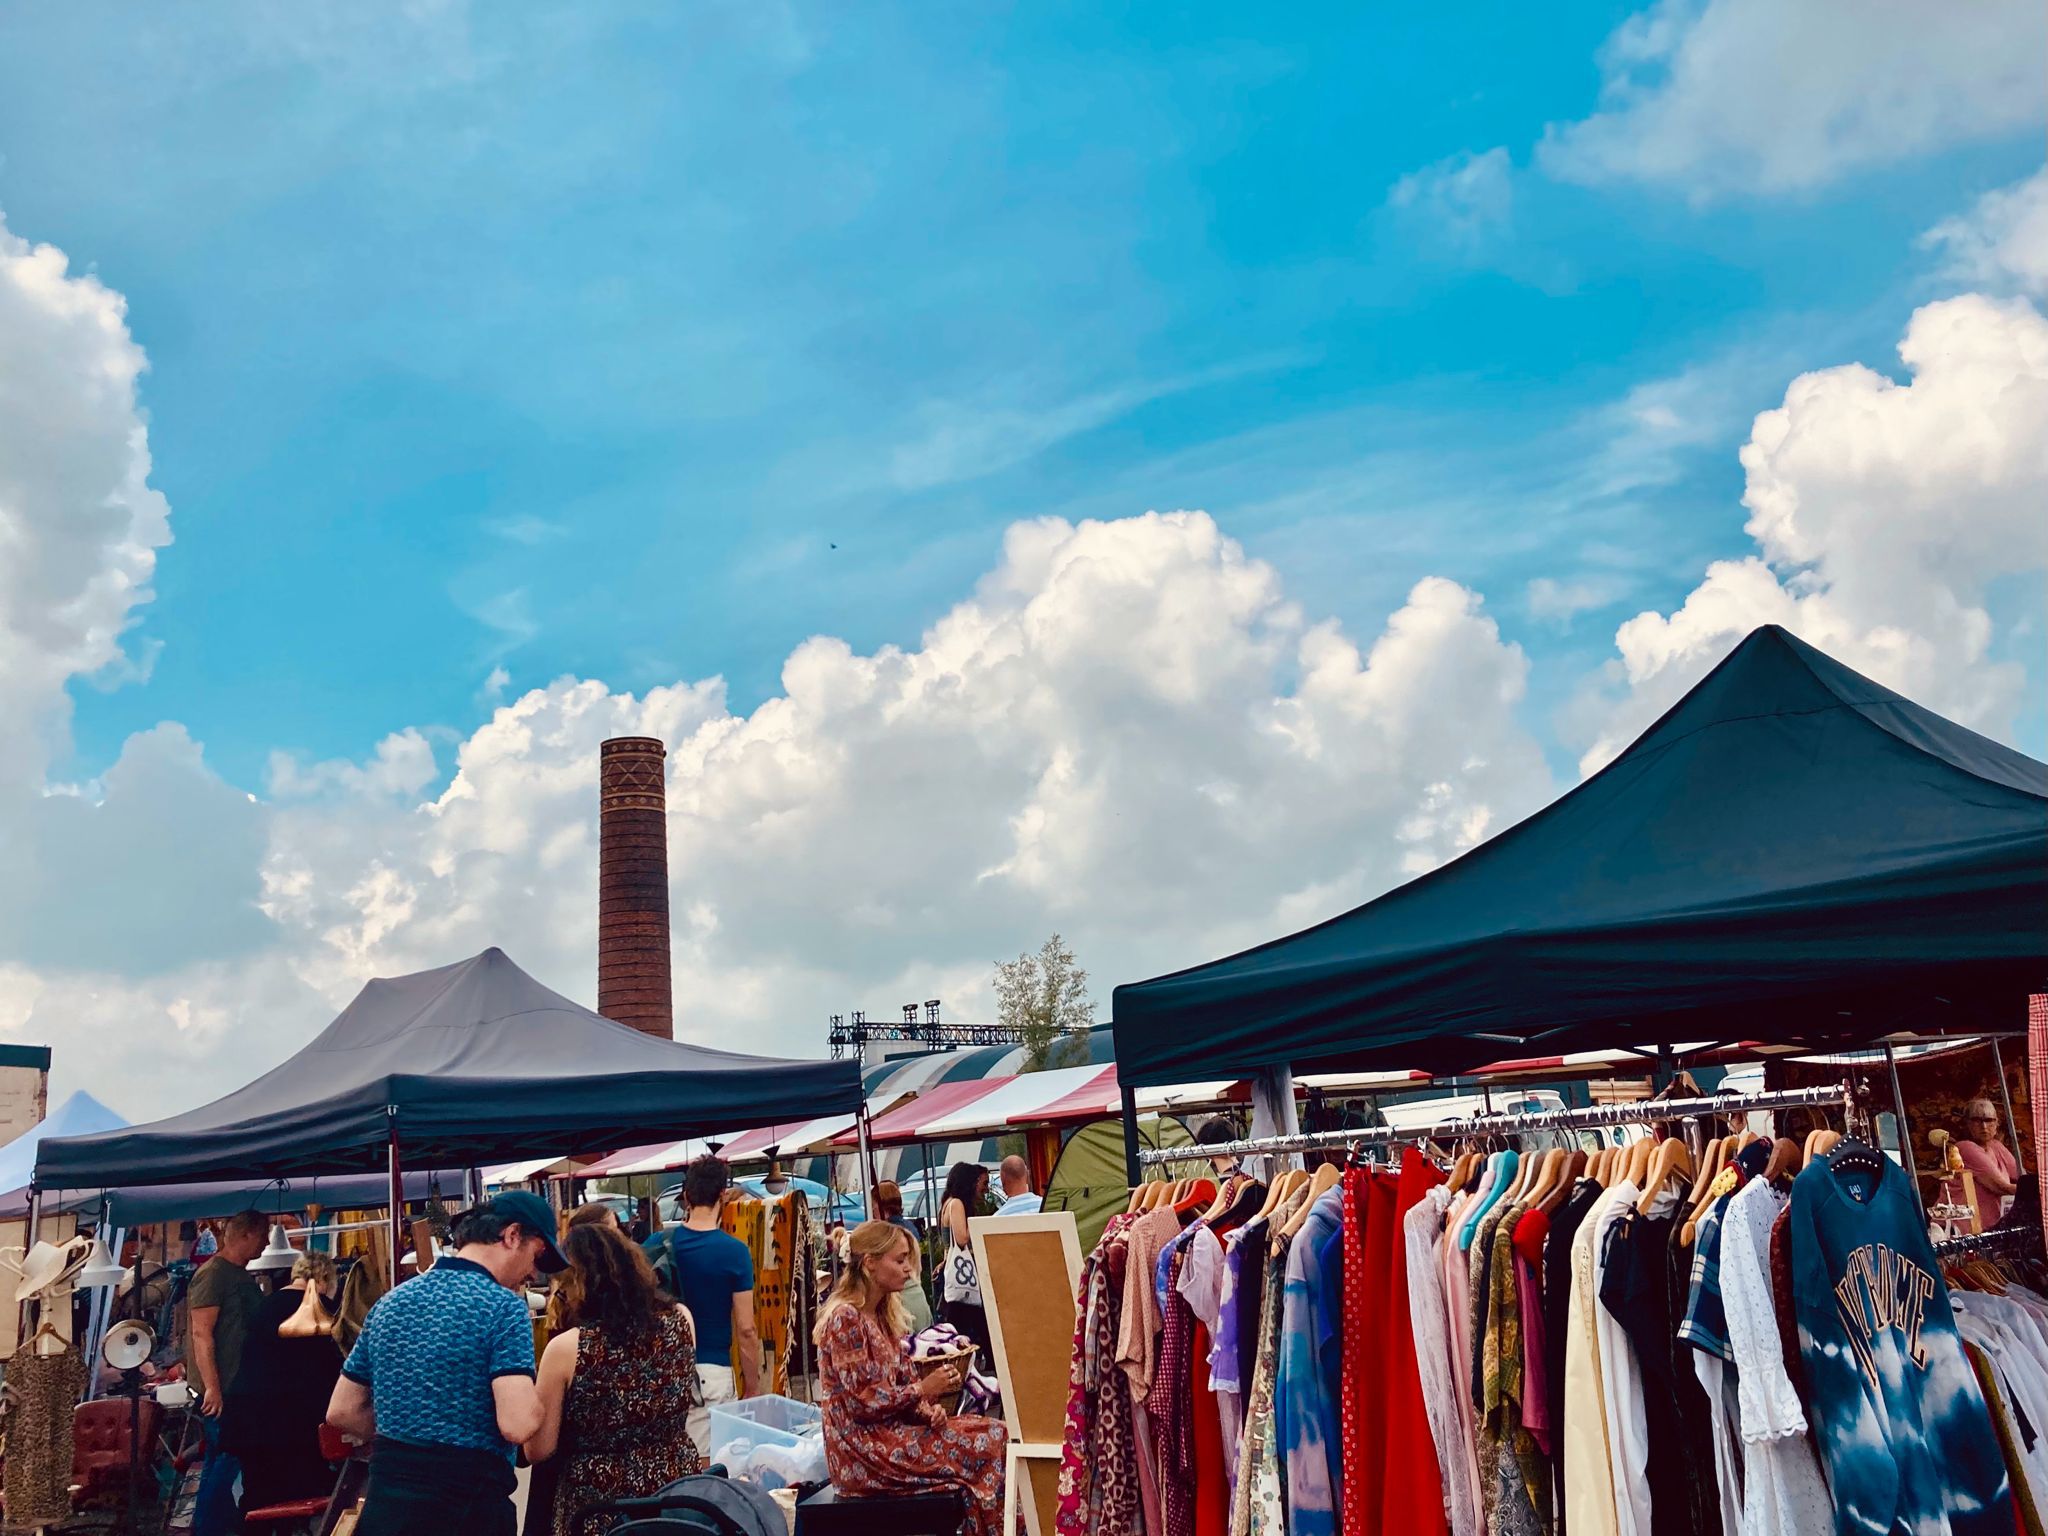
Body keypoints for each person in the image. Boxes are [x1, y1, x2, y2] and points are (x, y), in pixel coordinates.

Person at [327, 1191, 565, 1536]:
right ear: (512, 1235)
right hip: (467, 1504)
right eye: (537, 1256)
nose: (533, 1272)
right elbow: (517, 1423)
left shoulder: (390, 1303)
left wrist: (410, 1428)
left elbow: (342, 1411)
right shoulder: (503, 1307)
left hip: (388, 1500)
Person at [814, 1220, 1006, 1536]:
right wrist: (924, 1388)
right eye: (900, 1260)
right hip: (862, 1453)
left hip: (889, 1437)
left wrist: (928, 1411)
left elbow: (902, 1389)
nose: (908, 1269)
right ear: (870, 1262)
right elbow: (863, 1403)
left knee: (994, 1431)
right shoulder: (845, 1318)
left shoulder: (883, 1316)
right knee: (991, 1442)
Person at [527, 1223, 704, 1536]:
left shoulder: (567, 1349)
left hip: (599, 1502)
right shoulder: (681, 1318)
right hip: (674, 1491)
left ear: (577, 1284)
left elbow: (539, 1449)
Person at [642, 1155, 760, 1459]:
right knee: (708, 1466)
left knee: (667, 1462)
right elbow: (746, 1328)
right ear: (723, 1195)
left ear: (686, 1196)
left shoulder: (655, 1245)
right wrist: (753, 1386)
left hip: (663, 1368)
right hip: (711, 1371)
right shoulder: (735, 1252)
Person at [221, 1251, 342, 1513]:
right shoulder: (322, 1310)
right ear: (325, 1279)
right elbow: (329, 1369)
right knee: (301, 1492)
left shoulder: (265, 1306)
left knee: (258, 1497)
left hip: (247, 1416)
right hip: (290, 1422)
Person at [188, 1208, 269, 1536]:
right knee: (227, 1458)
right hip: (225, 1389)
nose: (266, 1243)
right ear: (246, 1234)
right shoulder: (213, 1275)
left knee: (221, 1459)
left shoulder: (239, 1275)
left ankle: (213, 1527)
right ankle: (209, 1528)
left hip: (240, 1386)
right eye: (263, 1236)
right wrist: (212, 1387)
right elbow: (201, 1333)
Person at [937, 1162, 991, 1355]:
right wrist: (979, 1226)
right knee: (974, 1323)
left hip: (953, 1272)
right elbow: (961, 1238)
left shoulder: (947, 1203)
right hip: (962, 1276)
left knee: (961, 1324)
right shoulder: (957, 1204)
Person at [872, 1181, 932, 1331]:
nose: (872, 1209)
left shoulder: (890, 1234)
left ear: (880, 1204)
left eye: (873, 1204)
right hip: (917, 1294)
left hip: (903, 1298)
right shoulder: (909, 1227)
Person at [1958, 1096, 2021, 1230]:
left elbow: (2022, 1177)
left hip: (1995, 1225)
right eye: (1977, 1121)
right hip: (1969, 1229)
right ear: (1967, 1124)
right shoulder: (1964, 1148)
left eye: (1989, 1120)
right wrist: (2039, 1190)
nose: (1984, 1126)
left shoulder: (1996, 1146)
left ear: (1996, 1123)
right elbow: (2001, 1187)